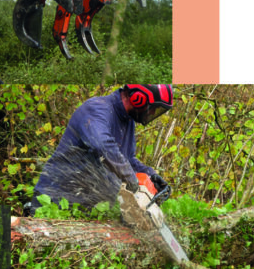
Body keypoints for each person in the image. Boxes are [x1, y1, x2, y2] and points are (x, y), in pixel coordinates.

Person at [28, 84, 174, 211]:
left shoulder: (128, 122)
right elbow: (102, 146)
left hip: (84, 207)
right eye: (153, 108)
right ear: (138, 98)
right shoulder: (97, 109)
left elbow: (128, 160)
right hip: (53, 201)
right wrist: (132, 179)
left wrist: (150, 175)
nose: (153, 113)